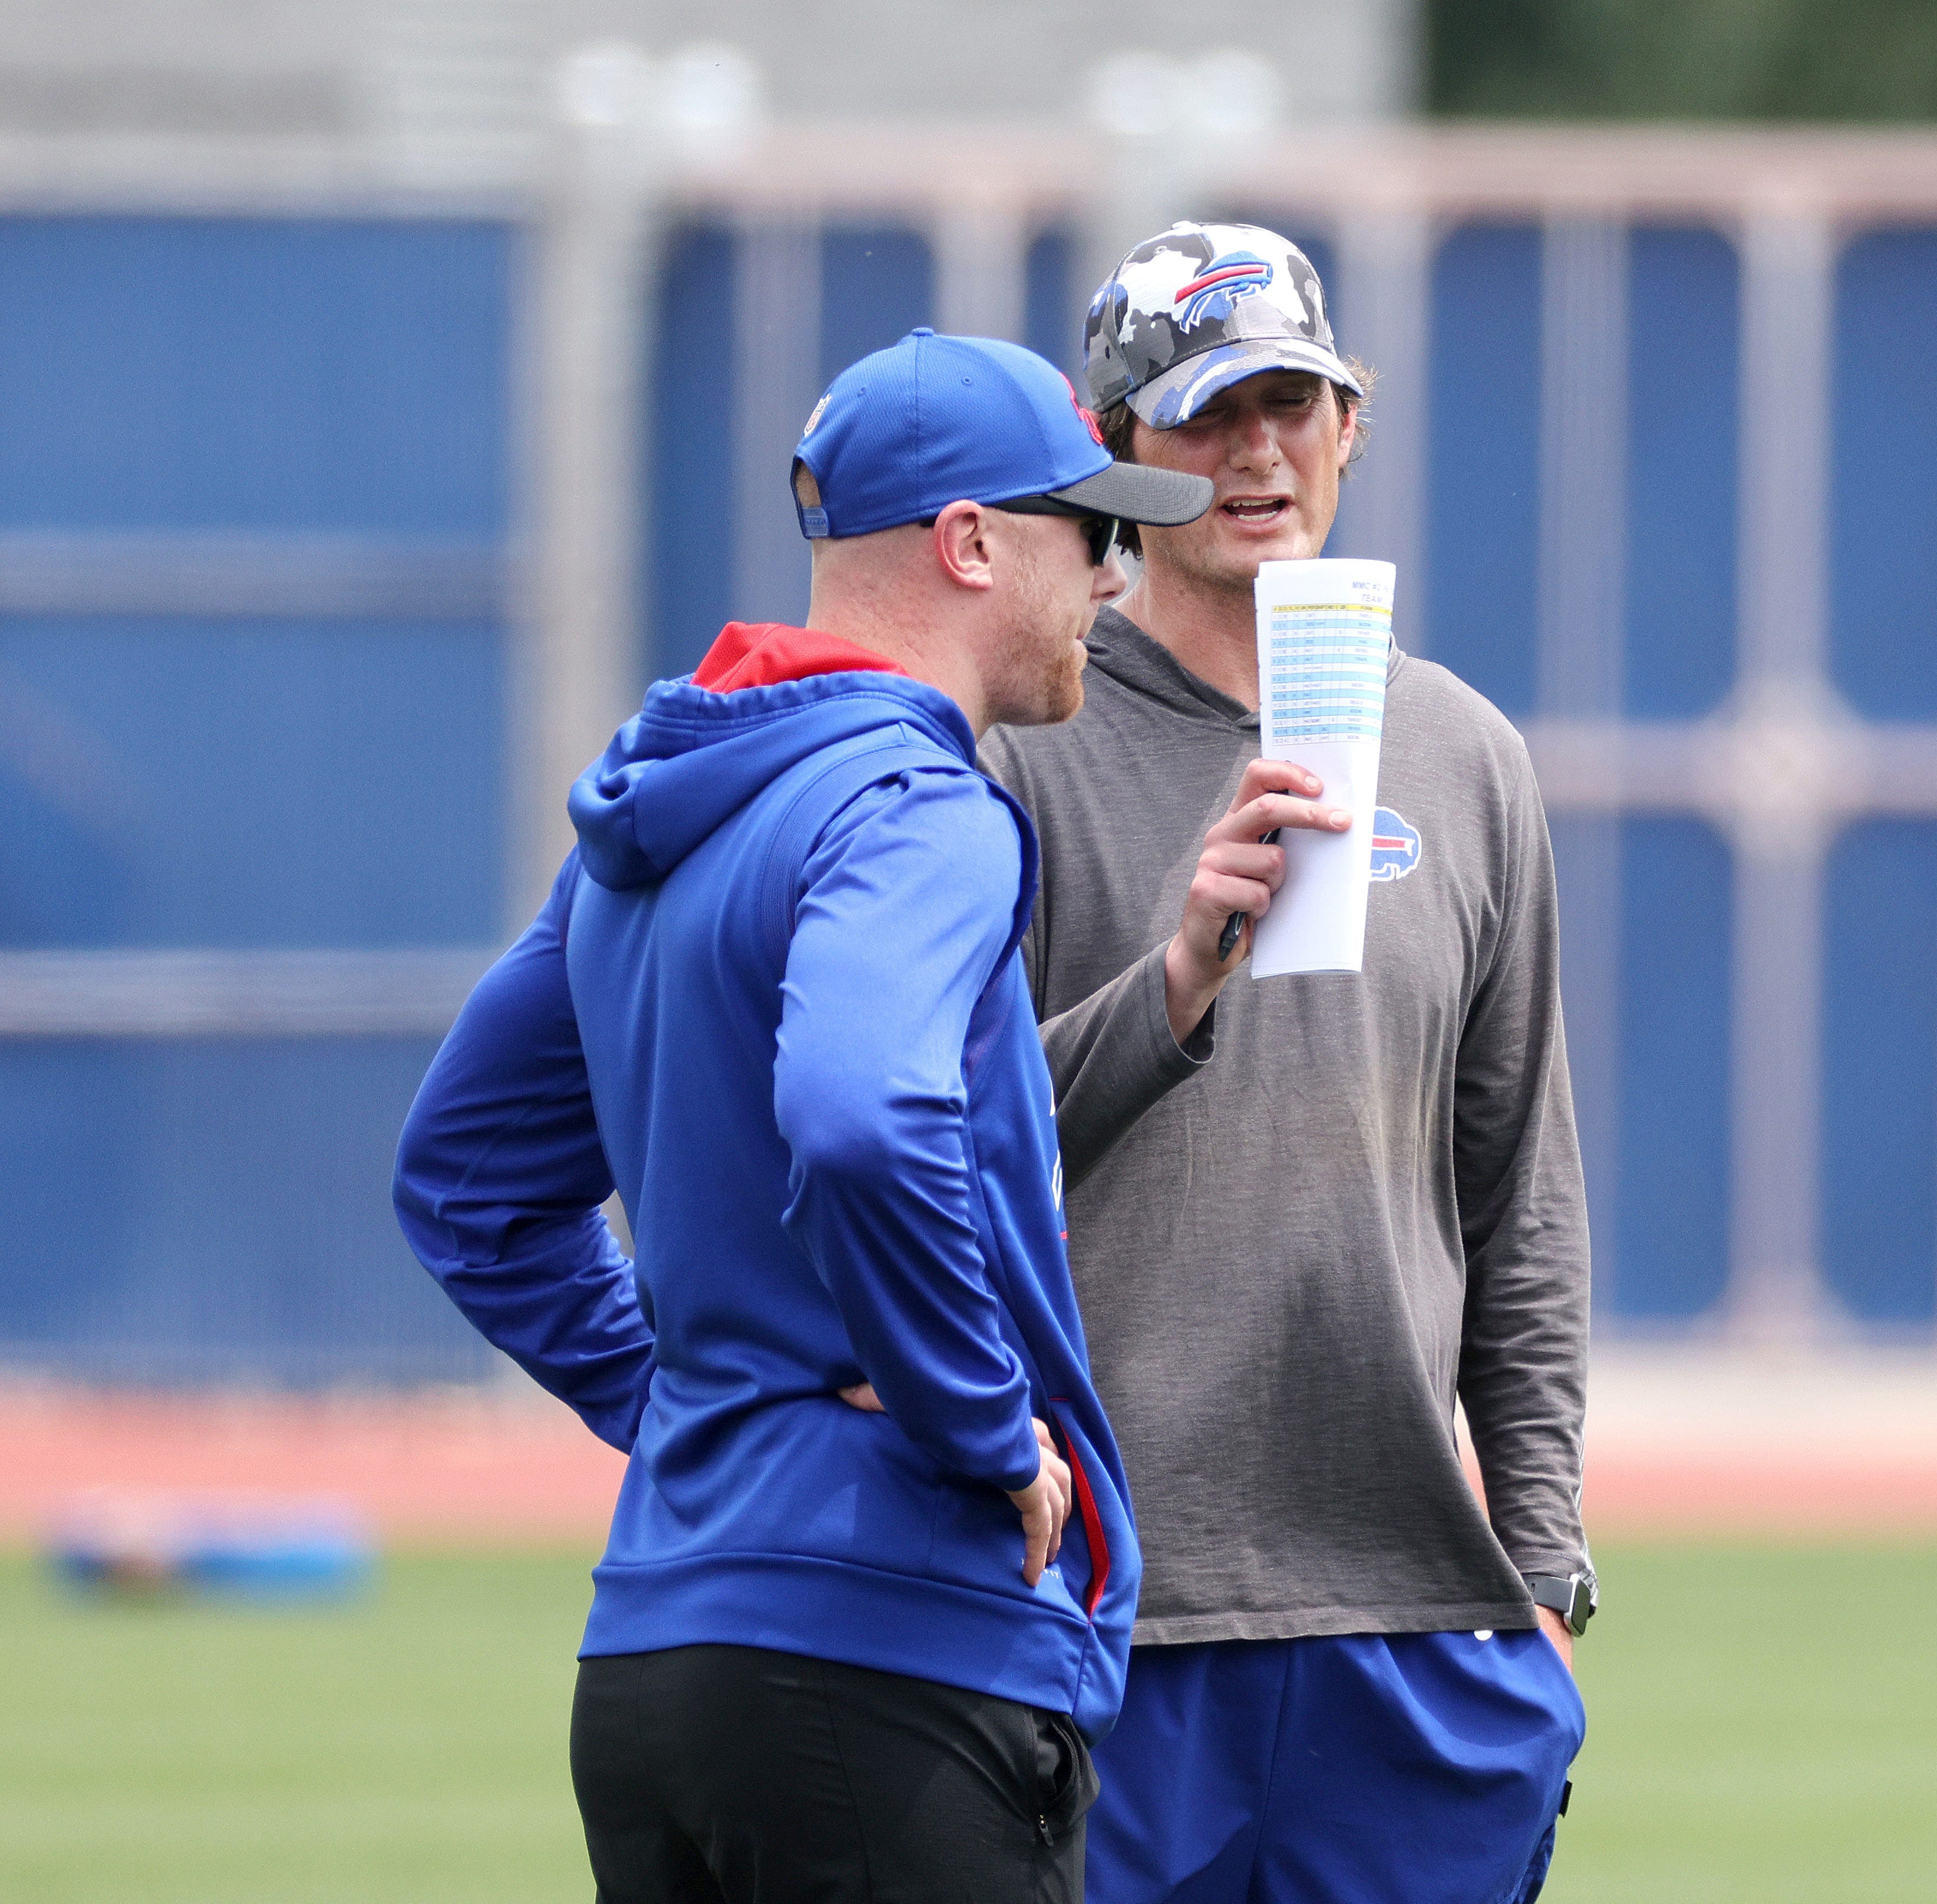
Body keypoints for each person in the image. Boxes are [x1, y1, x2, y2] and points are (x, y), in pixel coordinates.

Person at [392, 327, 1310, 1900]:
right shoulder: (922, 806)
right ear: (971, 545)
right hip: (892, 1661)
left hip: (657, 1660)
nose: (1109, 577)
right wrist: (971, 1420)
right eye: (1089, 532)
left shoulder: (662, 812)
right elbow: (860, 1112)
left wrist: (690, 1403)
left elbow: (462, 1182)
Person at [983, 220, 1591, 1904]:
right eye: (1205, 410)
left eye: (1294, 403)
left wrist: (1538, 1574)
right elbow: (947, 1154)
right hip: (1110, 1605)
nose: (1258, 448)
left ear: (1351, 429)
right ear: (1114, 458)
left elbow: (1519, 1201)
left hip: (1414, 1620)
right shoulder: (1019, 747)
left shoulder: (1465, 756)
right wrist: (1175, 978)